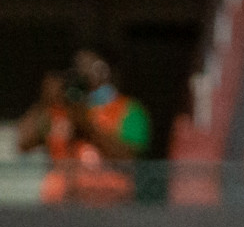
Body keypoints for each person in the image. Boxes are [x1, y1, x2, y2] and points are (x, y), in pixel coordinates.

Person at [19, 48, 152, 205]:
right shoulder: (60, 111)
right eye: (77, 68)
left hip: (108, 206)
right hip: (62, 207)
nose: (81, 73)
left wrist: (88, 126)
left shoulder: (129, 110)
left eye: (88, 67)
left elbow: (128, 158)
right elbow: (24, 143)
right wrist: (46, 101)